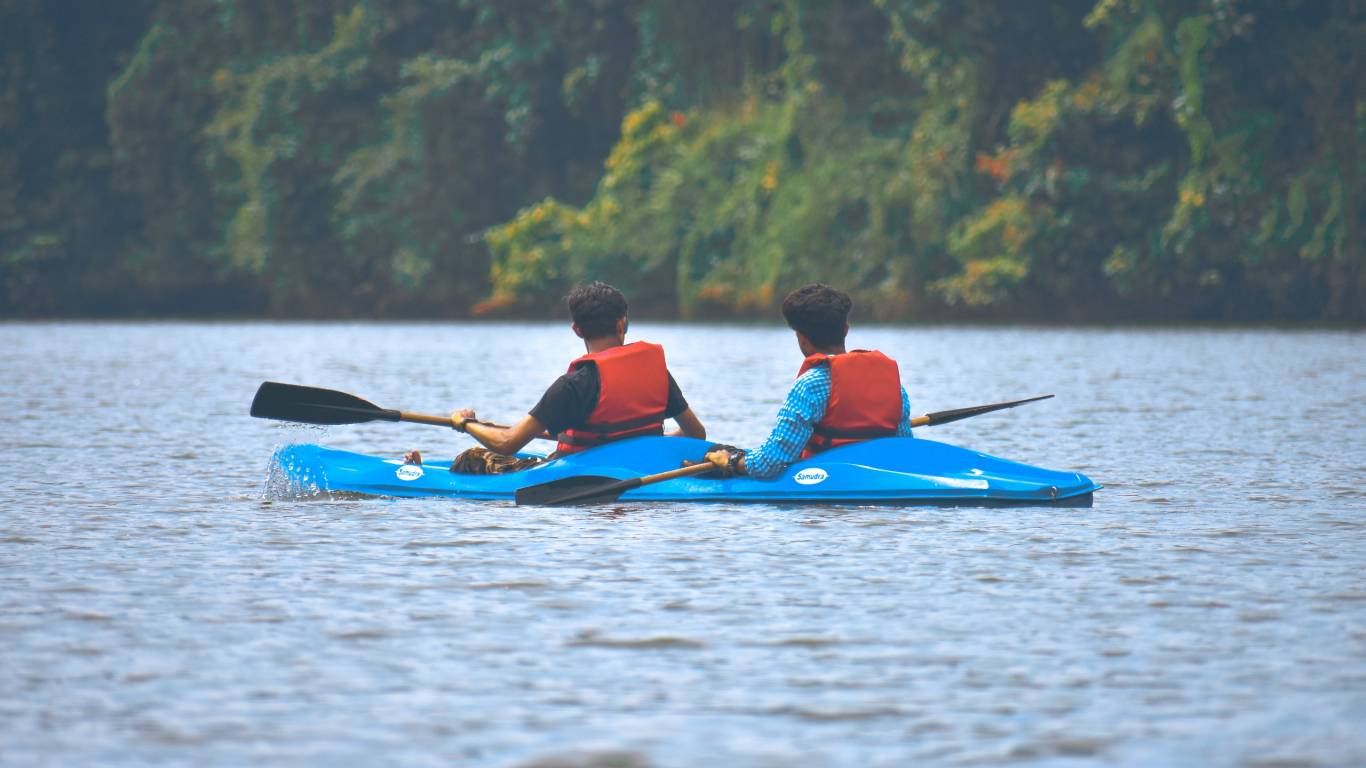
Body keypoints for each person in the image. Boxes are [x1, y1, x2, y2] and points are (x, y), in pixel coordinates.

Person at [406, 281, 706, 474]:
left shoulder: (575, 384)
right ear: (622, 324)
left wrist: (466, 423)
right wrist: (643, 442)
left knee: (470, 458)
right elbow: (695, 434)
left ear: (576, 330)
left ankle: (417, 473)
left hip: (577, 473)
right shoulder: (655, 372)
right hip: (645, 468)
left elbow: (508, 443)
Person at [703, 284, 913, 479]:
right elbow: (903, 447)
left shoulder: (811, 385)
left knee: (717, 452)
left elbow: (769, 464)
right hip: (883, 476)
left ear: (801, 339)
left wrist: (732, 461)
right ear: (846, 330)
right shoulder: (893, 385)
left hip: (825, 480)